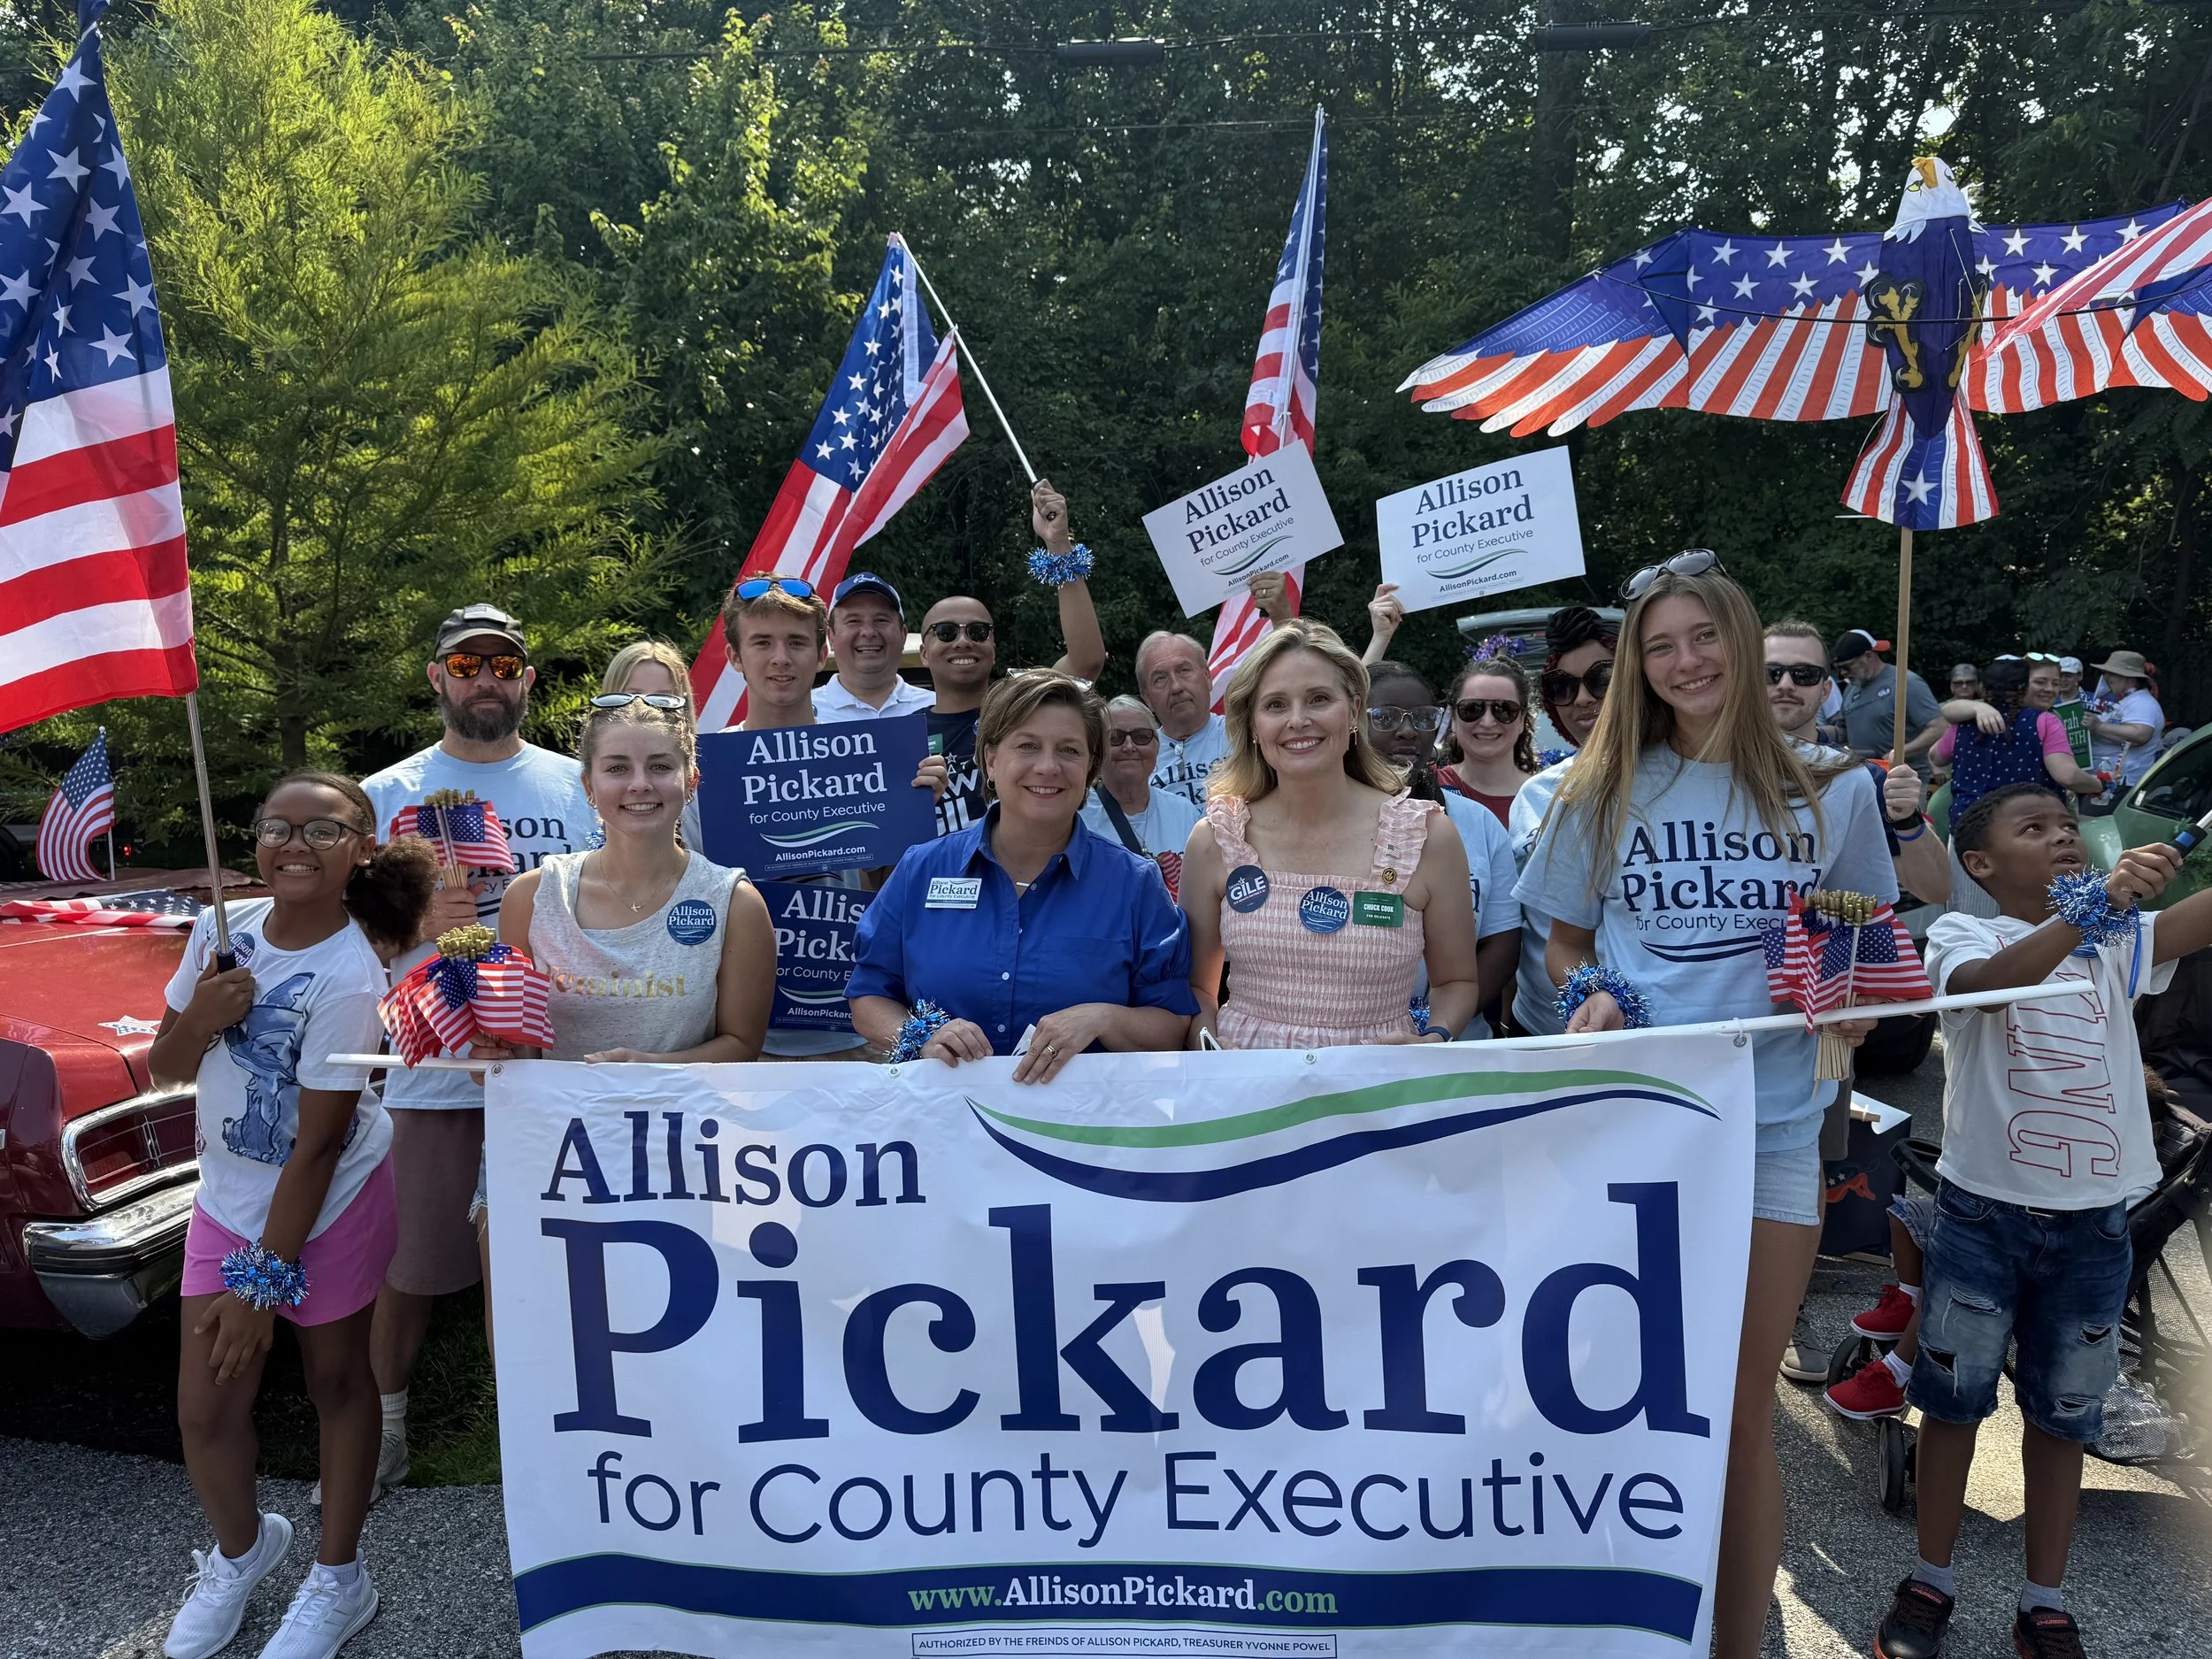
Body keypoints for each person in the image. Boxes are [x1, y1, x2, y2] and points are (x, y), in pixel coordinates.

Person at [1517, 553, 1895, 1659]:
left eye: (1703, 637)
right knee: (1621, 1391)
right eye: (1660, 646)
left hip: (1776, 1125)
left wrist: (1856, 1002)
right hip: (1641, 1123)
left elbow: (1861, 937)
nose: (1685, 663)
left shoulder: (1835, 787)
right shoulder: (1604, 783)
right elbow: (1566, 943)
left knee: (1735, 1414)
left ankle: (1736, 1644)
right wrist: (1589, 998)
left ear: (1740, 635)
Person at [1869, 785, 2212, 1659]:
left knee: (2065, 1419)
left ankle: (2043, 1601)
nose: (2062, 838)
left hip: (2094, 1227)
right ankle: (1930, 1582)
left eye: (2069, 827)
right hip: (1981, 1219)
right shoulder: (1959, 933)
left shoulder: (2116, 942)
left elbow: (2193, 924)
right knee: (1951, 1406)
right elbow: (1986, 991)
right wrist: (2099, 905)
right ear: (1977, 865)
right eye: (2035, 829)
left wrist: (2118, 909)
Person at [150, 773, 437, 1659]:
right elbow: (166, 1069)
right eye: (278, 826)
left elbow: (318, 1148)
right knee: (205, 1406)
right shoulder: (217, 931)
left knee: (336, 1385)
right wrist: (200, 1015)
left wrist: (259, 1286)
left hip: (336, 1203)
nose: (295, 844)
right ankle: (242, 1555)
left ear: (359, 849)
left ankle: (338, 1579)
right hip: (230, 1199)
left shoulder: (352, 971)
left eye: (324, 829)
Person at [359, 603, 593, 1502]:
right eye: (467, 666)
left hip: (559, 1059)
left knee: (558, 1267)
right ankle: (384, 1429)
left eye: (503, 665)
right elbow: (347, 942)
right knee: (410, 1264)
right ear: (437, 678)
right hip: (437, 1061)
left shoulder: (580, 786)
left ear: (528, 679)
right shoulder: (389, 796)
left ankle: (545, 1449)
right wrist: (412, 920)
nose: (486, 679)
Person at [472, 696, 776, 1321]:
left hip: (682, 1161)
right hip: (549, 1155)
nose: (640, 784)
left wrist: (651, 1068)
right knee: (536, 1339)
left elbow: (742, 1045)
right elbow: (514, 1043)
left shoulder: (735, 903)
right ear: (588, 786)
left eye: (660, 766)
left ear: (691, 780)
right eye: (617, 768)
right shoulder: (532, 897)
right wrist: (491, 1057)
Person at [847, 671, 1197, 1075]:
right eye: (1027, 746)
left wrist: (1103, 1018)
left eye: (1069, 750)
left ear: (1090, 769)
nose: (1048, 767)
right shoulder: (922, 869)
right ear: (991, 761)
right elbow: (869, 995)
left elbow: (1173, 1025)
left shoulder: (1135, 884)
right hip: (940, 1125)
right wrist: (919, 1035)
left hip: (1081, 1129)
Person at [1180, 622, 1481, 1048]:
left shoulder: (1428, 836)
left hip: (1377, 1091)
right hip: (1249, 1094)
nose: (1298, 721)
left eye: (1319, 699)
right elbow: (1197, 989)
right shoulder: (1217, 838)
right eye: (1276, 705)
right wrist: (1207, 1045)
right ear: (1252, 724)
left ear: (1354, 710)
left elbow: (1456, 980)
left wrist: (1434, 1037)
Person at [718, 577, 936, 1057]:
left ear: (822, 655)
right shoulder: (708, 774)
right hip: (745, 1042)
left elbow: (893, 899)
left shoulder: (872, 761)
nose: (780, 657)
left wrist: (914, 815)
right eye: (762, 642)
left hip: (859, 1032)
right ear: (734, 657)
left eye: (797, 642)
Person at [919, 479, 1108, 837]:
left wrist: (1057, 544)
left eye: (978, 632)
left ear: (993, 646)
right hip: (938, 881)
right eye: (946, 632)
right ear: (924, 653)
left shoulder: (1025, 705)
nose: (962, 641)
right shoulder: (903, 734)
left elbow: (1086, 662)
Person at [1365, 659, 1521, 1031]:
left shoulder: (1475, 821)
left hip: (1457, 1046)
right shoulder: (1325, 820)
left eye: (1422, 718)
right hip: (1357, 1043)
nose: (1407, 731)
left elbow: (1502, 942)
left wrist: (1440, 1024)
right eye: (1385, 717)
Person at [1765, 619, 1950, 906]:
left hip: (1826, 944)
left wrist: (1908, 817)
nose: (1786, 685)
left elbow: (1937, 891)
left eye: (1804, 674)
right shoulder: (1708, 768)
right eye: (1770, 674)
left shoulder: (1864, 779)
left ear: (1825, 691)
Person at [1505, 605, 1618, 1037]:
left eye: (1601, 678)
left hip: (1644, 1030)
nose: (1583, 698)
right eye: (1562, 686)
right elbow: (1520, 924)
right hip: (1540, 1026)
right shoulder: (1536, 793)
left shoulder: (1681, 784)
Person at [1934, 658, 2104, 819]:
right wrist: (2098, 785)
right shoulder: (2045, 721)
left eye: (2056, 683)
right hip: (2027, 826)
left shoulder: (1965, 723)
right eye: (2040, 682)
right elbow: (2068, 776)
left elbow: (1935, 757)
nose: (2049, 689)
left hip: (1966, 826)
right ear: (2022, 686)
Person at [1079, 695, 1202, 895]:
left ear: (1157, 747)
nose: (1129, 746)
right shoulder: (1078, 815)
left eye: (1142, 736)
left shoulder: (1183, 811)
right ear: (1098, 750)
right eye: (1115, 738)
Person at [599, 639, 704, 849]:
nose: (646, 708)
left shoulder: (711, 787)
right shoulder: (581, 781)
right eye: (632, 696)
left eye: (661, 699)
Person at [814, 572, 938, 722]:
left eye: (881, 620)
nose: (868, 632)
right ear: (831, 637)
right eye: (854, 621)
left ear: (903, 635)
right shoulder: (803, 714)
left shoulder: (937, 709)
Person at [1437, 655, 1540, 824]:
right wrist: (1381, 638)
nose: (1488, 722)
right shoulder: (1429, 788)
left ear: (1522, 720)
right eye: (1472, 708)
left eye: (1504, 709)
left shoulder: (1545, 797)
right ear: (1453, 720)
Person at [1832, 627, 1947, 777]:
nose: (1842, 674)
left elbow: (1940, 727)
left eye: (1846, 667)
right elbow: (1843, 730)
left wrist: (1898, 753)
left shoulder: (1905, 683)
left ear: (1868, 656)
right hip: (1864, 778)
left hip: (1905, 779)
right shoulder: (1852, 688)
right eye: (1839, 669)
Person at [1137, 630, 1230, 809]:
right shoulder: (1136, 755)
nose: (1176, 687)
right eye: (1160, 679)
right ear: (1147, 698)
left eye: (1184, 670)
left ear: (1207, 677)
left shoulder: (1245, 737)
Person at [2085, 649, 2162, 797]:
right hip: (2109, 781)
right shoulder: (2130, 701)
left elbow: (2140, 734)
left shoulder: (2142, 702)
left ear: (2130, 678)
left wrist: (2098, 726)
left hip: (2121, 783)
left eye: (2113, 673)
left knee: (2093, 820)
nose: (2107, 677)